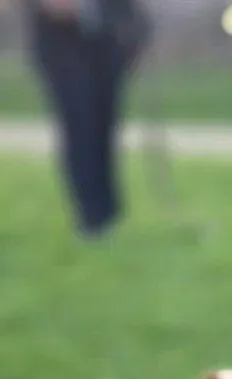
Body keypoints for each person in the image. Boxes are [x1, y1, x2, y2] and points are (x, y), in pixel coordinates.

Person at [24, 0, 150, 238]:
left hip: (109, 35)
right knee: (79, 124)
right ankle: (91, 217)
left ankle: (107, 212)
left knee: (104, 125)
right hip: (60, 39)